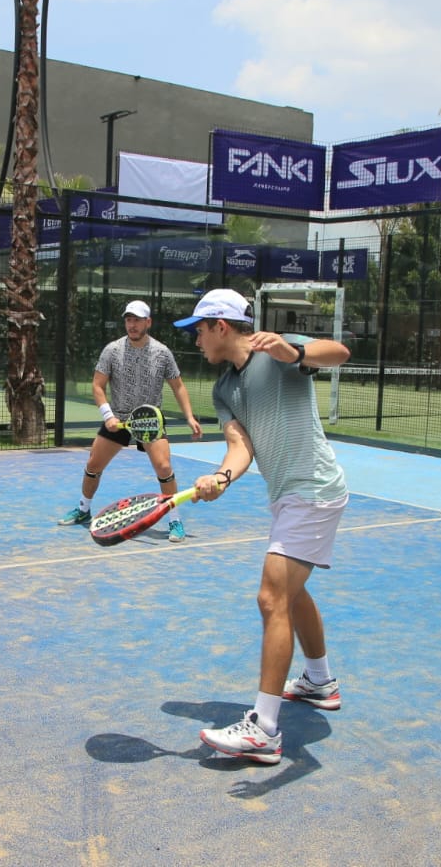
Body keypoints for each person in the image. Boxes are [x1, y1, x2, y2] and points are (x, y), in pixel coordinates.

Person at [173, 288, 350, 765]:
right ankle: (319, 681)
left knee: (271, 598)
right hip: (288, 495)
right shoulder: (223, 390)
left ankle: (265, 730)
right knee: (292, 592)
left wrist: (295, 352)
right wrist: (221, 478)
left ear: (221, 326)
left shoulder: (278, 349)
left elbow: (339, 353)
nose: (196, 342)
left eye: (199, 331)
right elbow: (241, 448)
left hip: (312, 489)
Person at [58, 300, 203, 543]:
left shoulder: (162, 352)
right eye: (128, 320)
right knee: (93, 464)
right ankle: (84, 510)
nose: (132, 325)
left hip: (149, 420)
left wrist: (189, 416)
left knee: (165, 468)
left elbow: (177, 386)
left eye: (137, 320)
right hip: (119, 418)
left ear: (148, 322)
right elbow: (97, 385)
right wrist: (108, 416)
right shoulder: (112, 350)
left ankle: (174, 519)